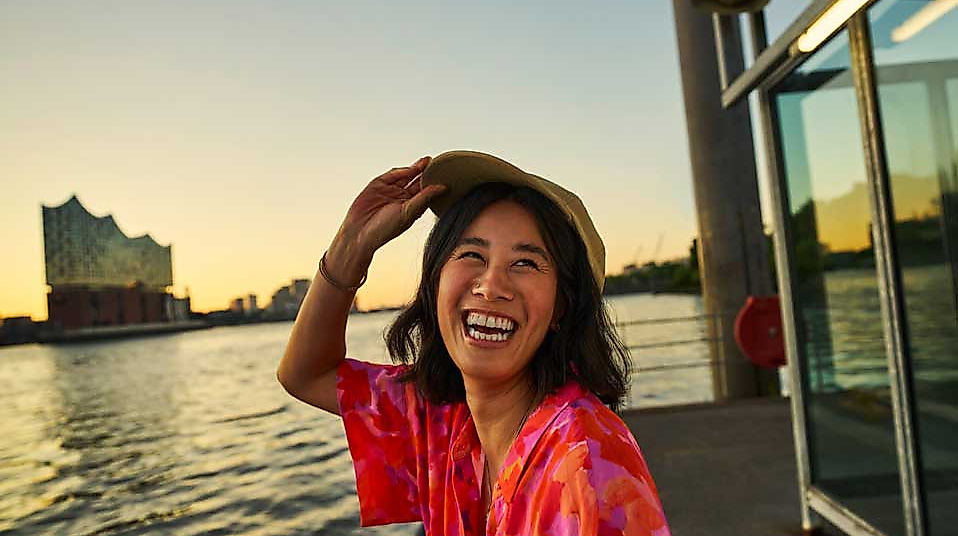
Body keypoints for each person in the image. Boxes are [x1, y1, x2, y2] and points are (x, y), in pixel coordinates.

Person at [277, 151, 671, 536]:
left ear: (561, 308)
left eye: (525, 263)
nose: (490, 285)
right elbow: (306, 375)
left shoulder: (588, 466)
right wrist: (353, 244)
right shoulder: (442, 420)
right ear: (434, 284)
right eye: (471, 254)